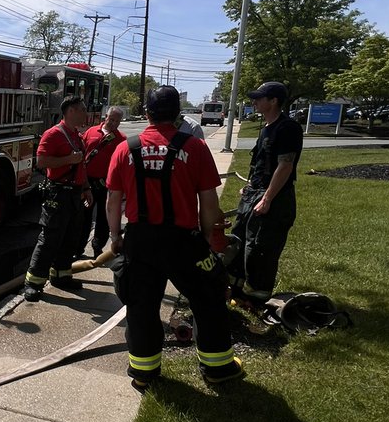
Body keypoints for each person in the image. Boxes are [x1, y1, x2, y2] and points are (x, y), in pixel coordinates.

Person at [106, 86, 243, 390]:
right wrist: (206, 240)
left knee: (141, 307)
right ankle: (218, 369)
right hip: (183, 240)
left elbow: (113, 201)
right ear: (178, 115)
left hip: (139, 241)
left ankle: (143, 373)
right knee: (208, 298)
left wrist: (115, 236)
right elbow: (209, 202)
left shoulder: (124, 148)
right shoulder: (195, 147)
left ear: (147, 113)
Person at [227, 81, 303, 306]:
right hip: (254, 194)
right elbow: (261, 164)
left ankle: (256, 298)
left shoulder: (287, 128)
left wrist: (267, 198)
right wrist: (250, 186)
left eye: (259, 98)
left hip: (274, 199)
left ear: (274, 101)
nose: (254, 102)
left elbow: (285, 166)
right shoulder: (267, 129)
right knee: (238, 241)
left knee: (260, 249)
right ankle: (236, 291)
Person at [23, 97, 92, 302]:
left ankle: (61, 277)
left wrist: (86, 188)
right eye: (82, 110)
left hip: (75, 194)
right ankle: (34, 283)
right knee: (50, 239)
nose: (85, 113)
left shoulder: (76, 136)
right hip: (58, 193)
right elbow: (41, 161)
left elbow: (81, 166)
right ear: (70, 111)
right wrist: (68, 160)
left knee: (71, 237)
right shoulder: (53, 134)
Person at [76, 106, 124, 258]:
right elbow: (81, 153)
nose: (114, 123)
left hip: (106, 184)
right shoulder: (91, 132)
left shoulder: (121, 139)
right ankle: (78, 249)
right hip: (87, 183)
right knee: (84, 217)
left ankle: (98, 247)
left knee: (104, 218)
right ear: (106, 117)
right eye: (112, 119)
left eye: (117, 121)